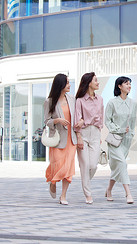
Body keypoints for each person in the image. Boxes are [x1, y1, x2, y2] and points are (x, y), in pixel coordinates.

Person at [44, 74, 77, 205]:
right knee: (57, 165)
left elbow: (76, 116)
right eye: (67, 83)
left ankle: (63, 196)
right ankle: (52, 181)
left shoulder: (72, 99)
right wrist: (57, 120)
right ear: (60, 84)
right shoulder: (50, 101)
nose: (69, 85)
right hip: (57, 139)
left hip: (71, 139)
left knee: (68, 169)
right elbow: (46, 121)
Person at [105, 76, 137, 204]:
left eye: (130, 84)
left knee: (118, 167)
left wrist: (131, 134)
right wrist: (119, 129)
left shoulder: (133, 103)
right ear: (119, 86)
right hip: (114, 140)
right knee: (122, 164)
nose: (129, 86)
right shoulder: (112, 102)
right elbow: (107, 121)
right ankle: (128, 194)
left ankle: (109, 190)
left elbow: (133, 122)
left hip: (126, 140)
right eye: (126, 83)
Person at [74, 72, 104, 204]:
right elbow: (77, 120)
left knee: (93, 165)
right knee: (85, 165)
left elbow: (101, 118)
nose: (98, 83)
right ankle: (88, 194)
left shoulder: (100, 99)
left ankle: (85, 180)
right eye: (95, 80)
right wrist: (79, 136)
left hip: (96, 133)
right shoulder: (79, 100)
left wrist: (99, 134)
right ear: (88, 83)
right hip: (83, 134)